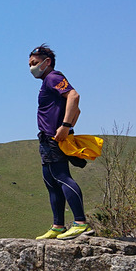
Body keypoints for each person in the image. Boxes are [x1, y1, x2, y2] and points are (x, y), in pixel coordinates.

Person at [28, 44, 92, 240]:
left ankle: (80, 223)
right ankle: (58, 226)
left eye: (34, 63)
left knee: (62, 177)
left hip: (54, 138)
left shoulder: (53, 77)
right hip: (47, 139)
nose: (31, 67)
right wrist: (68, 126)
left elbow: (74, 96)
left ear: (47, 62)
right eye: (29, 64)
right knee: (51, 182)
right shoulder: (46, 82)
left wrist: (65, 127)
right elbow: (76, 111)